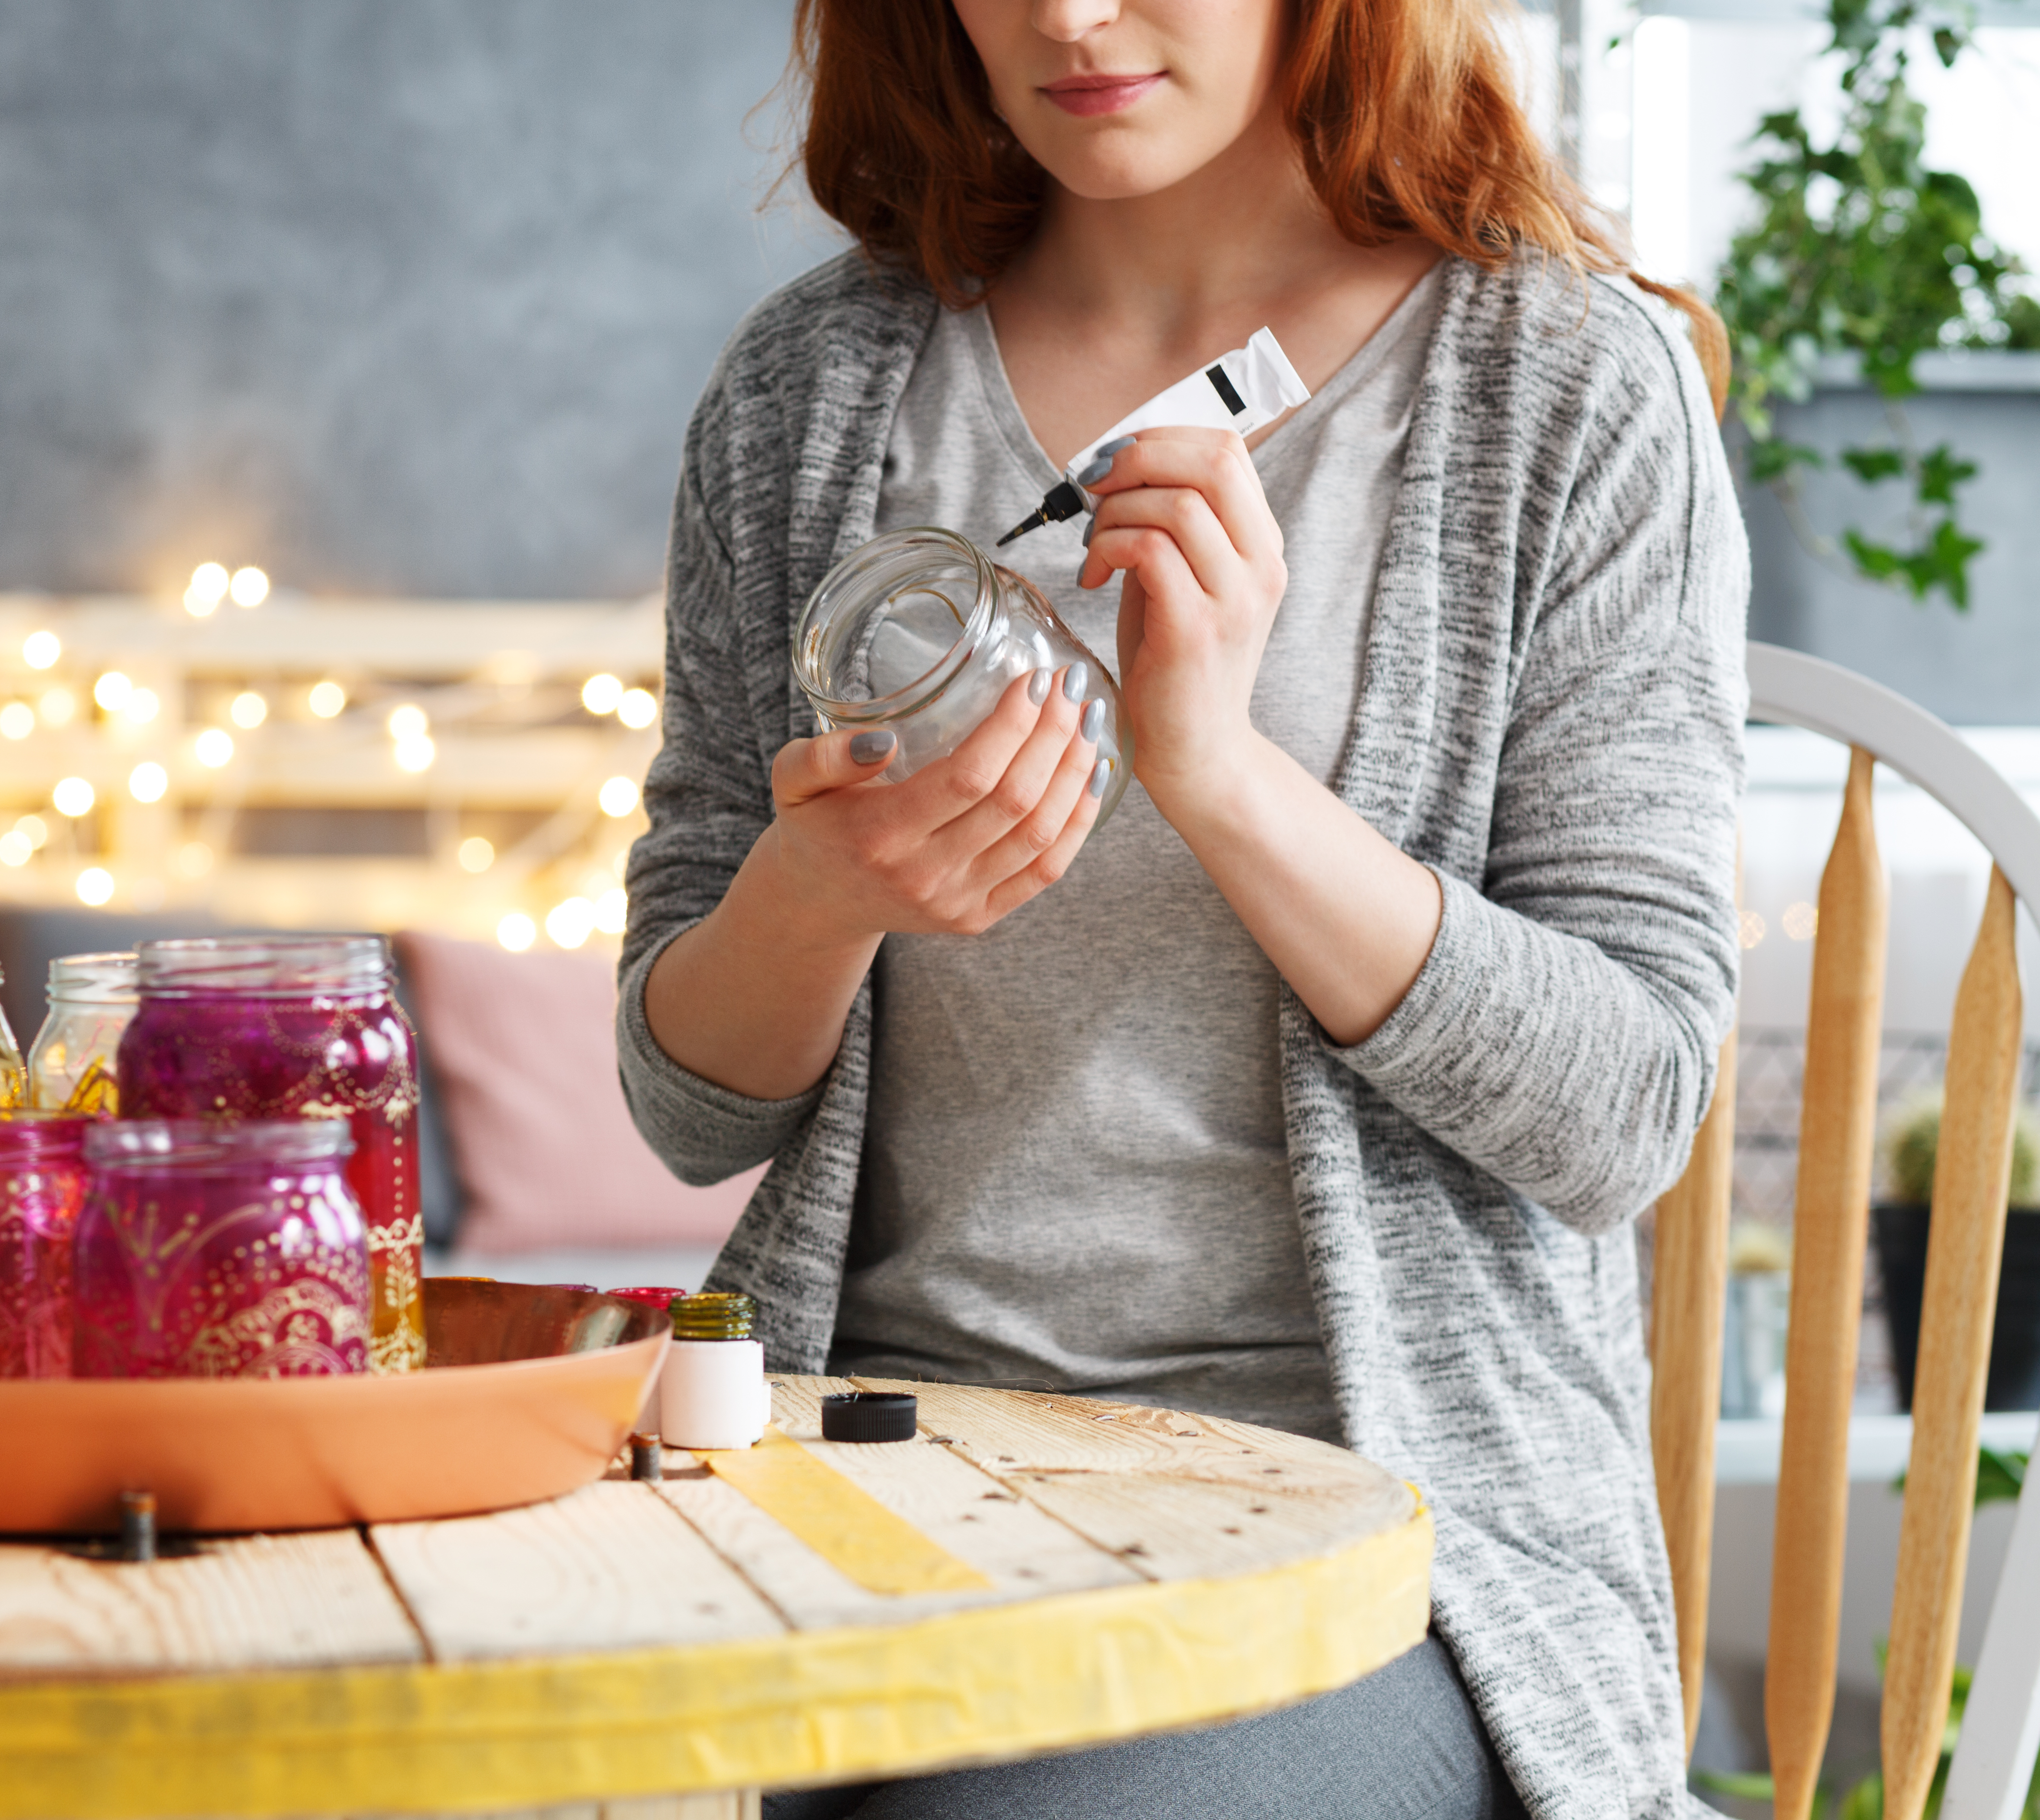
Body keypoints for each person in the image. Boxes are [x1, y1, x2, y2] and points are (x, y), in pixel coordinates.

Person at [616, 0, 1746, 1814]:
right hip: (866, 1465)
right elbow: (687, 1109)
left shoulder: (1562, 386)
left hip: (1385, 1531)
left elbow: (1621, 1115)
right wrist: (814, 898)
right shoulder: (810, 393)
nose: (1069, 17)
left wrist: (1217, 772)